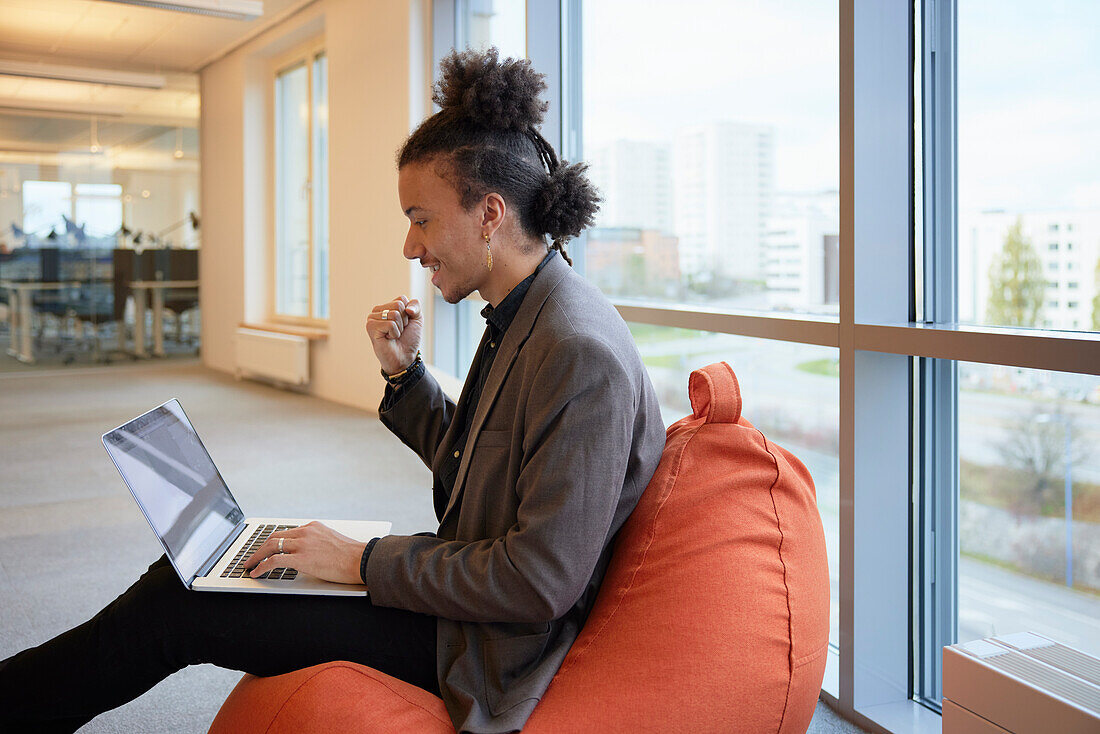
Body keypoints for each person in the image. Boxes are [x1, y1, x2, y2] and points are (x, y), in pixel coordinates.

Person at [0, 48, 664, 734]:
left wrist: (360, 562)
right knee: (197, 579)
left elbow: (538, 582)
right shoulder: (527, 316)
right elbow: (480, 467)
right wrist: (405, 375)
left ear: (490, 213)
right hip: (458, 605)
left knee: (182, 604)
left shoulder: (576, 350)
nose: (411, 246)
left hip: (485, 645)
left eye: (422, 218)